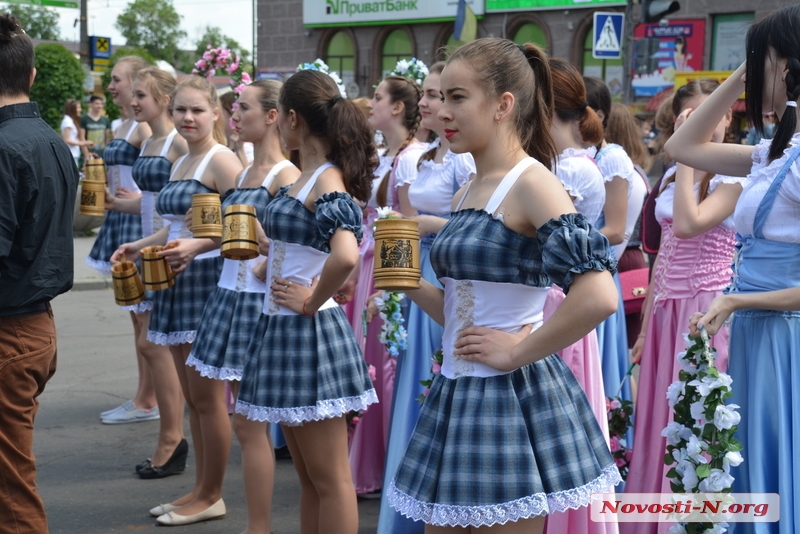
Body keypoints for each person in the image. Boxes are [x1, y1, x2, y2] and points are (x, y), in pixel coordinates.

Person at [385, 37, 621, 533]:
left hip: (508, 395)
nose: (441, 111)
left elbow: (599, 295)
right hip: (458, 388)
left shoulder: (533, 182)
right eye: (440, 97)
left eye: (456, 97)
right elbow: (462, 311)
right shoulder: (471, 183)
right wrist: (405, 279)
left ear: (503, 105)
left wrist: (518, 350)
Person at [667, 5, 800, 532]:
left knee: (773, 462)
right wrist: (746, 71)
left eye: (758, 60)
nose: (750, 71)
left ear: (788, 66)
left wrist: (738, 299)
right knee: (750, 464)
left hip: (784, 335)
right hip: (754, 330)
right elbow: (683, 147)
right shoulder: (772, 152)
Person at [235, 68, 378, 533]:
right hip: (285, 327)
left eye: (279, 117)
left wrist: (310, 300)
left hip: (309, 330)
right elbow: (309, 250)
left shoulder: (326, 179)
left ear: (292, 118)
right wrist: (265, 246)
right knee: (310, 479)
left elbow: (345, 254)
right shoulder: (309, 176)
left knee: (330, 478)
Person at [621, 79, 744, 534]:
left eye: (711, 117)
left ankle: (691, 520)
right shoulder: (672, 175)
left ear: (727, 118)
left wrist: (688, 157)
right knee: (658, 412)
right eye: (689, 119)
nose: (703, 126)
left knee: (693, 412)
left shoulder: (734, 174)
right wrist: (645, 324)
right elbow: (662, 255)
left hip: (704, 305)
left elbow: (691, 226)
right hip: (666, 306)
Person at [186, 79, 299, 534]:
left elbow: (302, 243)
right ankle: (230, 509)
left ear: (273, 116)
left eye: (244, 108)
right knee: (242, 420)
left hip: (259, 304)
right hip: (229, 295)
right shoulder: (247, 172)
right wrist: (195, 243)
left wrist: (266, 258)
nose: (234, 115)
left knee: (254, 425)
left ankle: (259, 527)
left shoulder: (285, 175)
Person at [376, 61, 476, 534]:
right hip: (419, 268)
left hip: (449, 270)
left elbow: (472, 229)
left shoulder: (466, 161)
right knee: (415, 377)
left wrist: (424, 227)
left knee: (442, 373)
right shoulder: (417, 159)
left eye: (438, 96)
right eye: (430, 96)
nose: (427, 103)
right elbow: (405, 220)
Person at [0, 14, 79, 534]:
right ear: (30, 76)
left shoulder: (6, 146)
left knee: (10, 490)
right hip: (34, 325)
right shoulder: (50, 138)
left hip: (9, 329)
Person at [542, 57, 616, 534]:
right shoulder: (549, 166)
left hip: (558, 305)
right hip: (544, 302)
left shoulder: (574, 170)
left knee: (557, 431)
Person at [104, 66, 189, 478]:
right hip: (147, 244)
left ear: (163, 98)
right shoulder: (149, 138)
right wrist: (136, 244)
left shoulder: (176, 141)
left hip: (170, 251)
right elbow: (147, 201)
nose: (133, 101)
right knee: (149, 341)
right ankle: (171, 436)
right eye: (132, 94)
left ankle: (172, 437)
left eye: (141, 95)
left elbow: (189, 203)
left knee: (156, 343)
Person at [347, 73, 427, 502]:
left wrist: (394, 287)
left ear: (397, 108)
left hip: (387, 265)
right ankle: (370, 459)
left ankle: (379, 462)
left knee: (384, 363)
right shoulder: (389, 155)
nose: (372, 103)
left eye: (378, 97)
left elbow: (407, 228)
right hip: (370, 260)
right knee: (369, 360)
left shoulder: (411, 159)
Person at [88, 55, 158, 425]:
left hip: (138, 226)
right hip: (122, 217)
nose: (111, 87)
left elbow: (150, 185)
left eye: (117, 80)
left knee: (143, 315)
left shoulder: (144, 129)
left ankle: (149, 397)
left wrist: (126, 201)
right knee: (136, 316)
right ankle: (145, 394)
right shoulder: (124, 124)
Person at [60, 98, 93, 167]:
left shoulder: (71, 121)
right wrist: (83, 143)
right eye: (78, 108)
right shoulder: (67, 121)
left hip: (74, 153)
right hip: (70, 154)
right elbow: (66, 140)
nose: (80, 110)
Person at [81, 94, 112, 159]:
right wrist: (86, 155)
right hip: (89, 154)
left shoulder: (105, 120)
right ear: (91, 104)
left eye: (101, 104)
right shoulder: (84, 118)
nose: (99, 106)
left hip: (102, 153)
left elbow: (107, 139)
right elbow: (82, 138)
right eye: (97, 103)